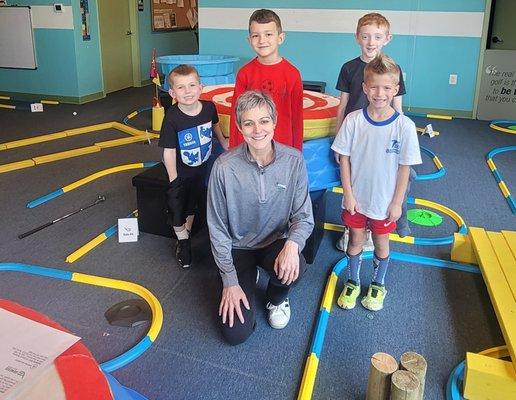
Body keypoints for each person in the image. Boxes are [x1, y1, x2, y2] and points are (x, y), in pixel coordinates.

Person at [208, 90, 314, 345]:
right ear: (239, 127)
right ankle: (246, 277)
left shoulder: (293, 160)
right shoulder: (223, 167)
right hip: (237, 248)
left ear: (274, 122)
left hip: (274, 243)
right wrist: (230, 281)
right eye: (249, 123)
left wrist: (292, 244)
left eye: (264, 121)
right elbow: (217, 230)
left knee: (294, 266)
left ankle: (275, 298)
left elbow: (304, 216)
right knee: (235, 334)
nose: (258, 130)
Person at [331, 54, 422, 312]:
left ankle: (378, 283)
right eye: (373, 86)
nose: (379, 93)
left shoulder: (404, 126)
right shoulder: (353, 121)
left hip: (384, 203)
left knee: (382, 243)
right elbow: (344, 160)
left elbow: (405, 168)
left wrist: (396, 203)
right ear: (364, 88)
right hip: (356, 199)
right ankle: (353, 281)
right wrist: (347, 194)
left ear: (395, 89)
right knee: (355, 240)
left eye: (386, 87)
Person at [333, 12, 414, 253]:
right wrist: (338, 141)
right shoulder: (349, 68)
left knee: (398, 179)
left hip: (385, 135)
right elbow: (342, 106)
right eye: (366, 36)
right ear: (357, 37)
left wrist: (404, 138)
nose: (371, 42)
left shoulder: (393, 68)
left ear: (387, 39)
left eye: (377, 37)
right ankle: (353, 229)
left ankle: (395, 222)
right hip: (357, 136)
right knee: (354, 180)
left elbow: (397, 107)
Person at [159, 64, 228, 268]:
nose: (187, 91)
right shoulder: (172, 117)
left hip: (200, 170)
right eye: (180, 87)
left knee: (192, 205)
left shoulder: (208, 108)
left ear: (201, 87)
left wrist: (224, 142)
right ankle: (183, 242)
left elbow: (215, 125)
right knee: (178, 209)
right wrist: (173, 180)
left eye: (191, 85)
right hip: (180, 174)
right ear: (172, 92)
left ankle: (186, 235)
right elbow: (169, 151)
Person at [228, 9, 304, 151]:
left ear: (280, 38)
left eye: (268, 34)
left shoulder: (292, 74)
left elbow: (297, 118)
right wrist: (235, 151)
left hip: (283, 149)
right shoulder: (244, 74)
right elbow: (236, 117)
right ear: (249, 40)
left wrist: (297, 153)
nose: (262, 40)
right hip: (251, 148)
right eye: (256, 36)